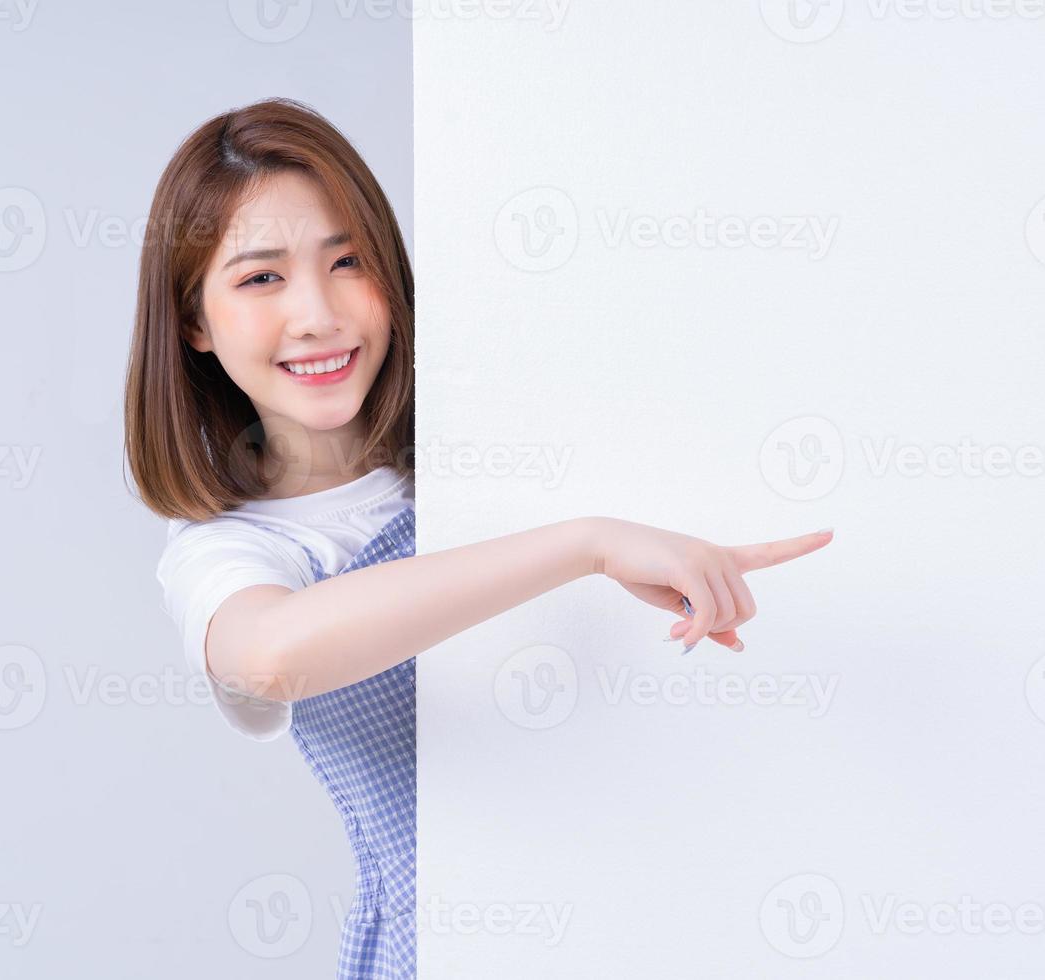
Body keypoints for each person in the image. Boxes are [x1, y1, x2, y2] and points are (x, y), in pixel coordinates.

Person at [122, 96, 833, 979]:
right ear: (193, 320)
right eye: (261, 278)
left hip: (641, 922)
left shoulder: (490, 459)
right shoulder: (230, 555)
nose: (318, 314)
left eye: (348, 261)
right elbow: (271, 656)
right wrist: (591, 546)